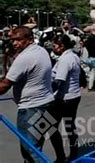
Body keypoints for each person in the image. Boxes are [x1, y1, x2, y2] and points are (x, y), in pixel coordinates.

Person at [0, 26, 58, 162]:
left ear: (29, 39)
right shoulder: (41, 51)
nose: (14, 43)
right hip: (47, 106)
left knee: (31, 151)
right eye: (13, 40)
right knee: (37, 146)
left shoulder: (24, 58)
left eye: (18, 40)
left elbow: (4, 86)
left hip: (31, 109)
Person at [49, 34, 82, 161]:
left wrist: (47, 95)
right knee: (70, 126)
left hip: (63, 99)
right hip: (74, 96)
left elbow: (59, 81)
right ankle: (74, 154)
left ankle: (60, 156)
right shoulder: (74, 56)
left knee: (49, 126)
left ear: (62, 46)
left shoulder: (64, 60)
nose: (53, 48)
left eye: (54, 46)